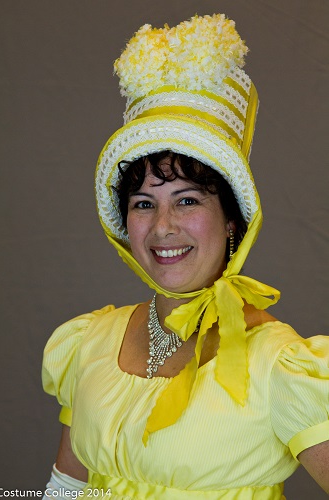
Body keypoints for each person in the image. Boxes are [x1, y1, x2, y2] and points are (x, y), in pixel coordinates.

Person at [42, 14, 329, 499]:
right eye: (143, 204)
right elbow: (66, 489)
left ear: (233, 221)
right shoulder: (88, 343)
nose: (162, 227)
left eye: (188, 200)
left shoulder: (280, 365)